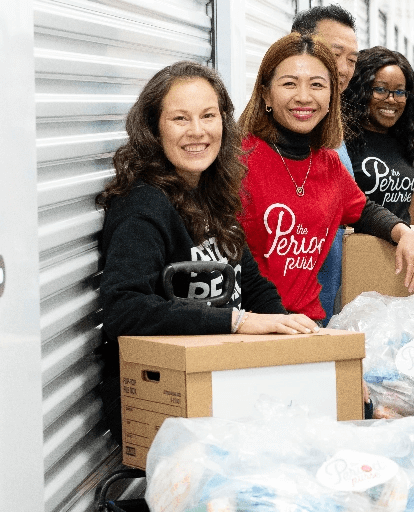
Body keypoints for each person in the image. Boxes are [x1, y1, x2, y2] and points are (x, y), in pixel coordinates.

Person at [97, 61, 318, 441]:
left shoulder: (210, 194)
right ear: (153, 128)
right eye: (180, 119)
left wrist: (289, 337)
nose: (197, 132)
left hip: (225, 381)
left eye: (208, 116)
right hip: (174, 405)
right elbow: (124, 310)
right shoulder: (143, 207)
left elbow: (252, 283)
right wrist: (236, 321)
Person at [237, 32, 414, 325]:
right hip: (251, 330)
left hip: (310, 327)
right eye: (289, 83)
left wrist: (403, 232)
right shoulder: (238, 161)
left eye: (317, 85)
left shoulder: (328, 163)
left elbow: (362, 210)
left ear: (331, 97)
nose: (304, 96)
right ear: (265, 94)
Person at [291, 5, 360, 325]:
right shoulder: (286, 129)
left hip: (324, 304)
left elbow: (352, 203)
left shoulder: (331, 127)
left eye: (352, 60)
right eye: (336, 54)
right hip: (287, 316)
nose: (344, 69)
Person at [342, 46, 414, 224]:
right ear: (360, 91)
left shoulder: (403, 139)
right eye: (380, 89)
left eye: (400, 92)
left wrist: (407, 232)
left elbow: (413, 187)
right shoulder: (343, 143)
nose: (392, 99)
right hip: (358, 249)